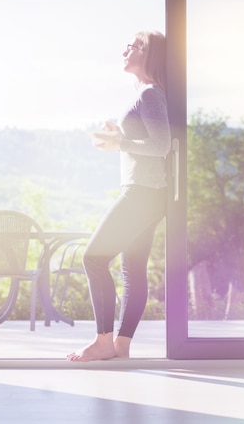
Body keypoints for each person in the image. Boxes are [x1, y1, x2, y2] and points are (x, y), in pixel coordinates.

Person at [67, 31, 170, 361]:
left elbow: (161, 146)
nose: (126, 49)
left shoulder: (151, 94)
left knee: (93, 258)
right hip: (148, 193)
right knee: (132, 271)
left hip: (143, 193)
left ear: (149, 54)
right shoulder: (146, 94)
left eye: (135, 45)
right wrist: (118, 137)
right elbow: (145, 142)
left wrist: (119, 143)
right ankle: (119, 347)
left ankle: (102, 341)